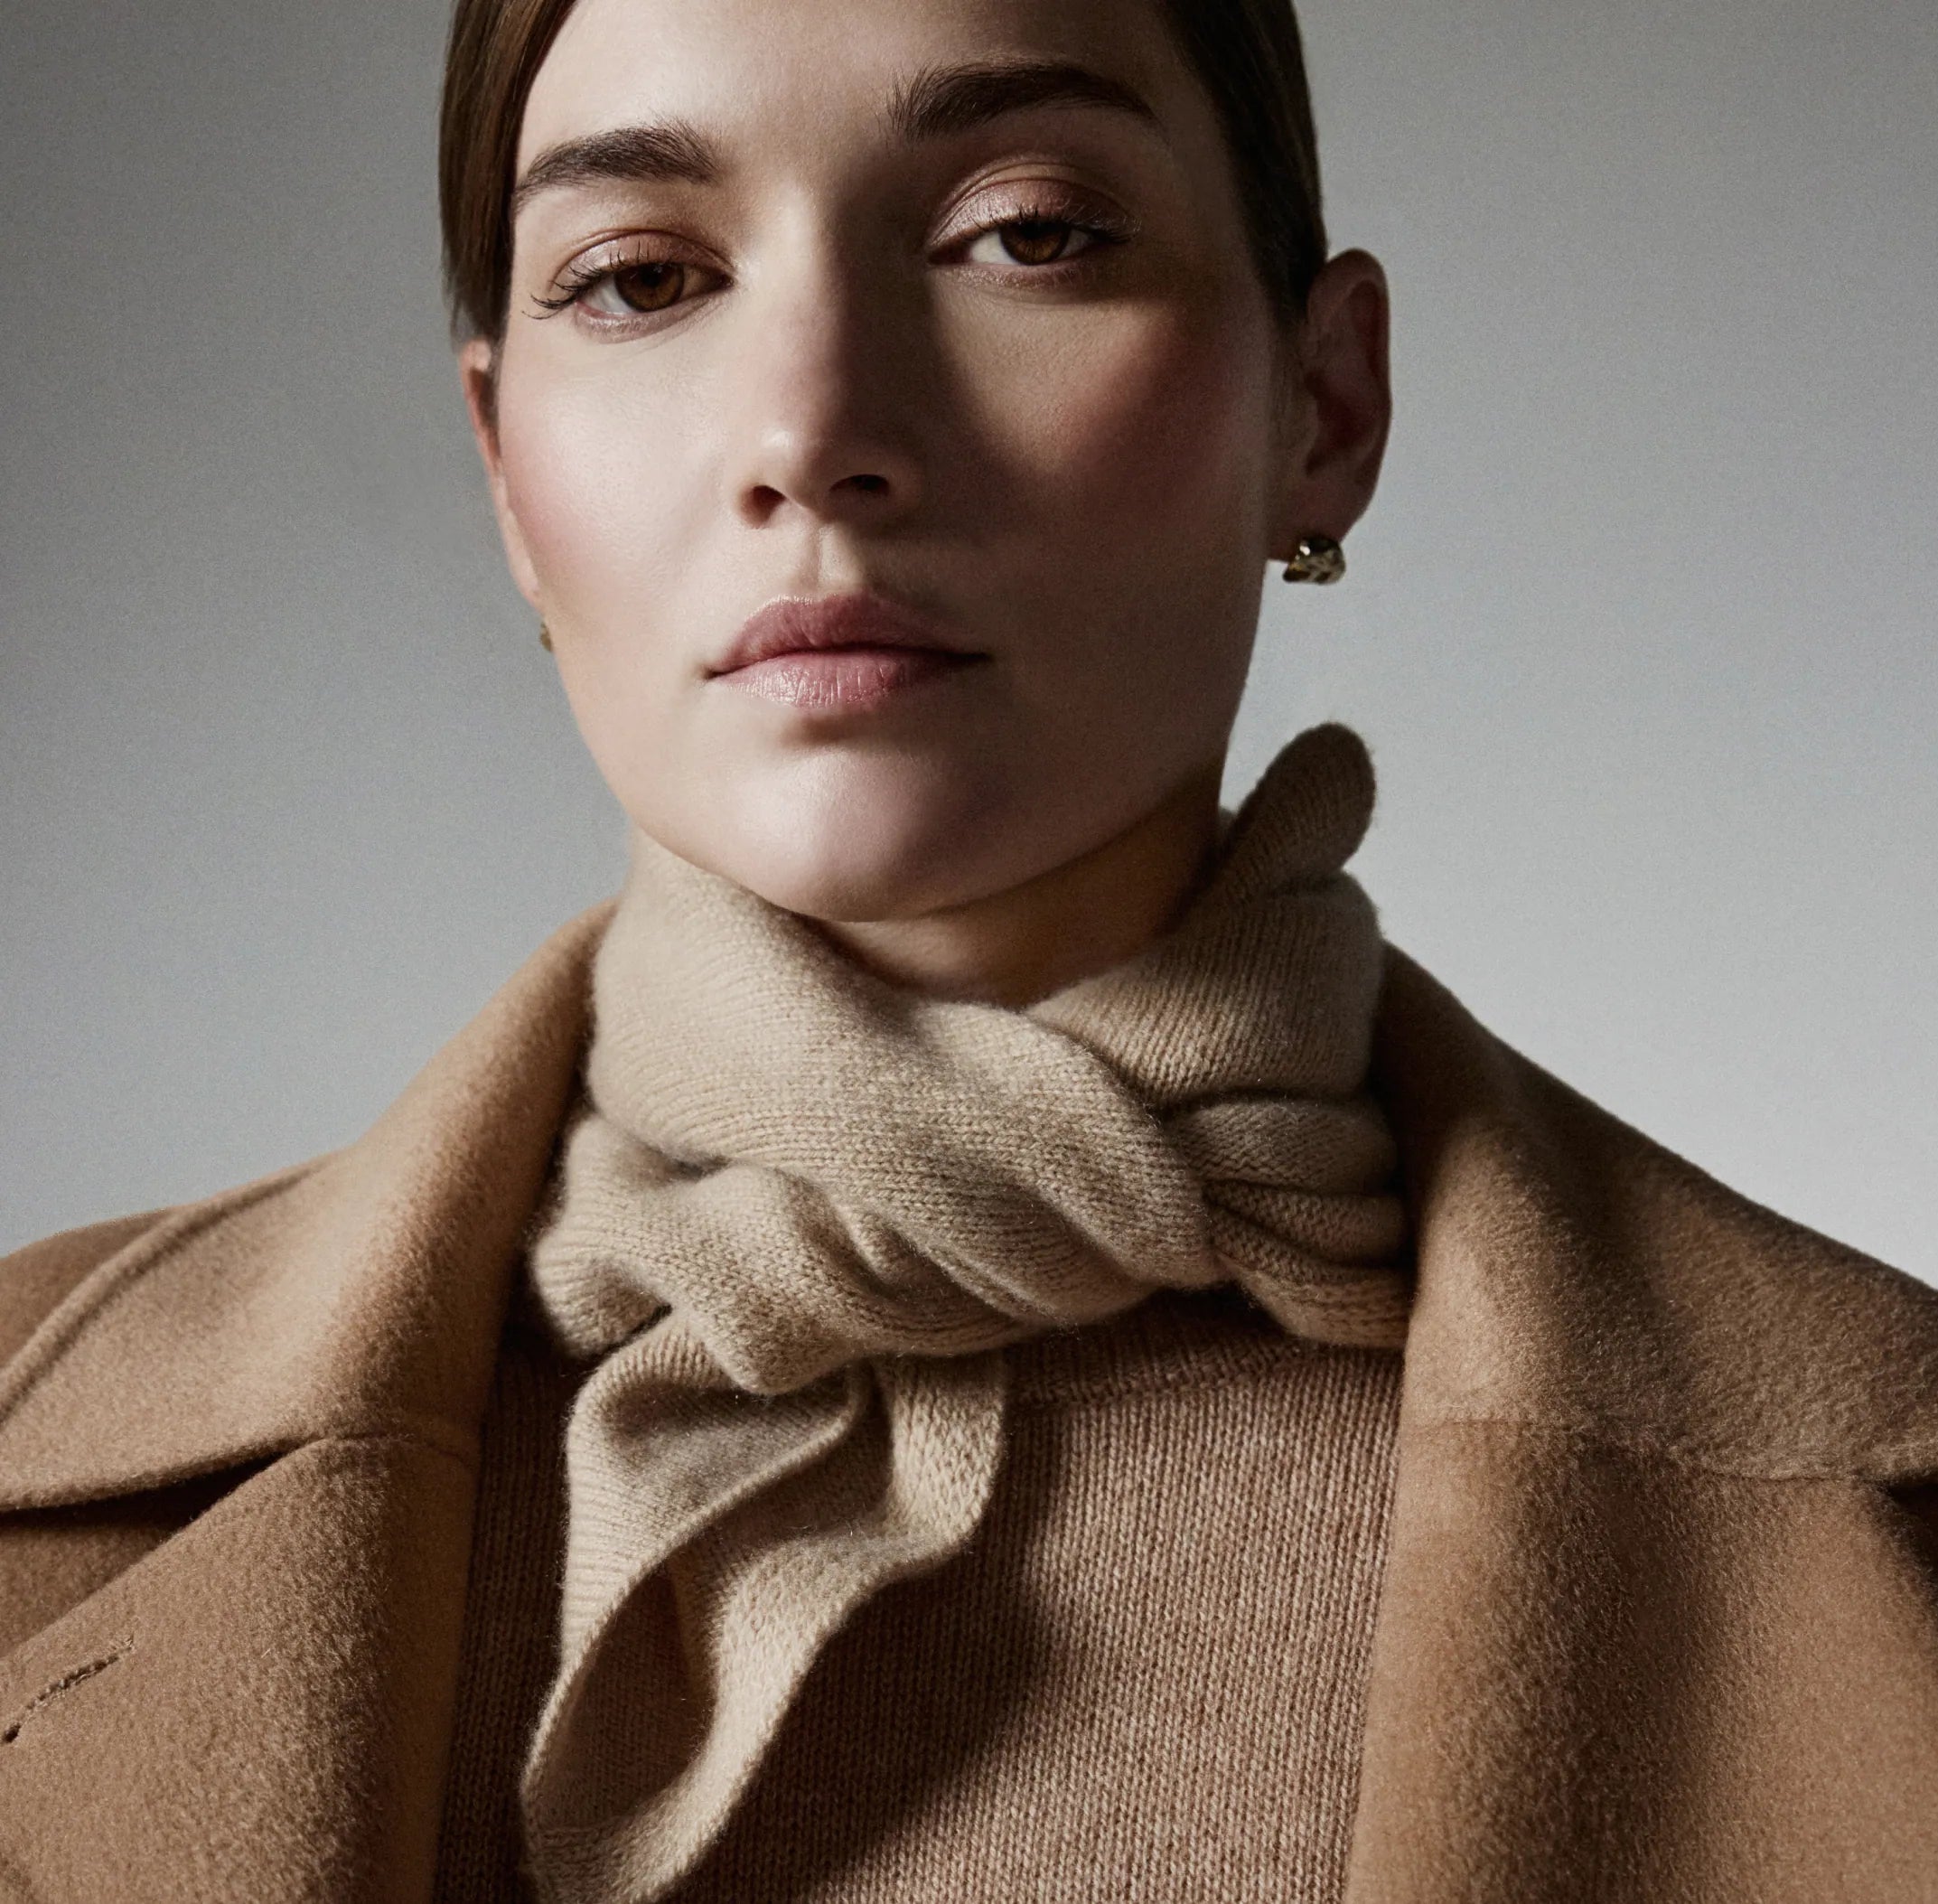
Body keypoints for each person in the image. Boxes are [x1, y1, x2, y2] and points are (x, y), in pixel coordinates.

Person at [2, 0, 1933, 1897]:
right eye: (641, 278)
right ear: (507, 472)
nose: (813, 433)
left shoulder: (1888, 1518)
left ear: (1323, 405)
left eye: (1029, 234)